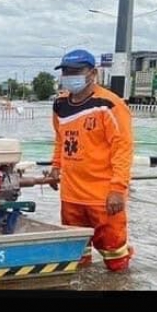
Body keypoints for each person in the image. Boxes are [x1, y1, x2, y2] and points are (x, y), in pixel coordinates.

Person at [48, 49, 134, 271]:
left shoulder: (110, 105)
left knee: (116, 259)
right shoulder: (60, 105)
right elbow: (60, 139)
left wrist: (117, 189)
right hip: (71, 196)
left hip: (103, 198)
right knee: (77, 259)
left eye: (76, 71)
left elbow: (122, 149)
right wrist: (56, 166)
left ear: (92, 73)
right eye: (66, 71)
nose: (69, 76)